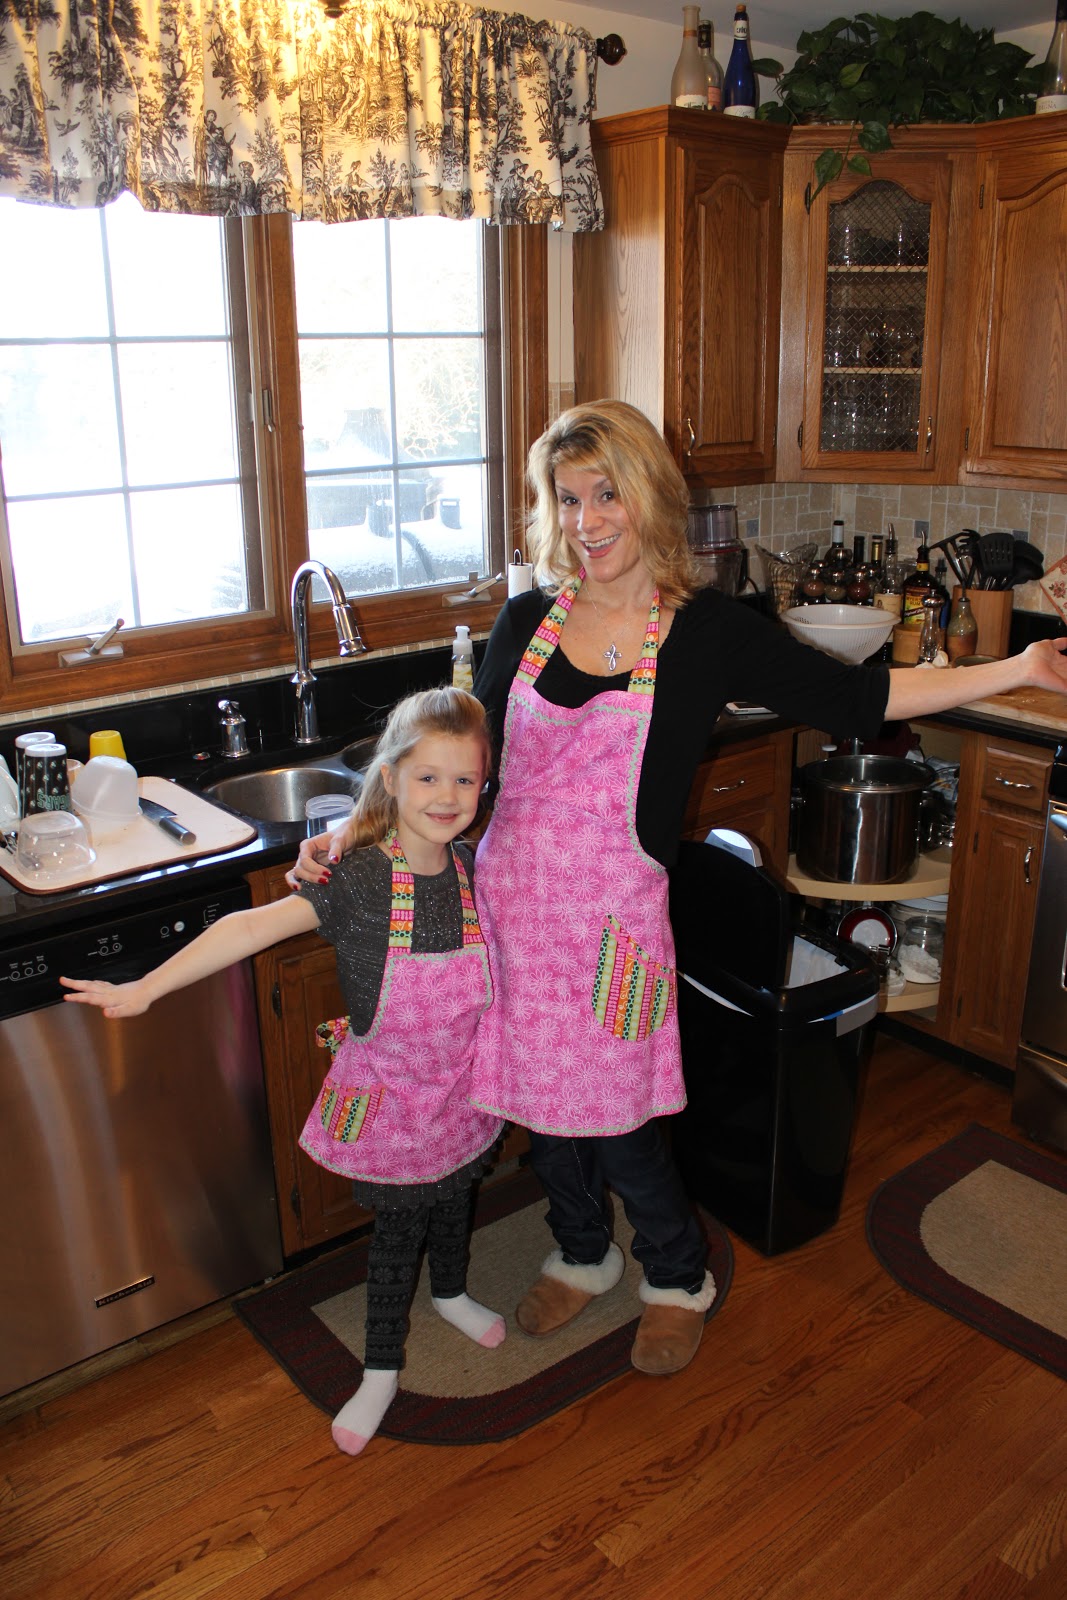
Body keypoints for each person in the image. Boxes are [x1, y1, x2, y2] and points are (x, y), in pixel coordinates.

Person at [293, 400, 1067, 1379]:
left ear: (648, 496)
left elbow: (859, 697)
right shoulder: (527, 621)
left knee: (622, 1122)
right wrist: (356, 832)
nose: (585, 520)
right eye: (566, 499)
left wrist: (1017, 666)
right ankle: (581, 1250)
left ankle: (675, 1275)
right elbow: (454, 760)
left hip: (614, 932)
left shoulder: (706, 632)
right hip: (513, 920)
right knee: (543, 1112)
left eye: (604, 494)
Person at [62, 687, 505, 1456]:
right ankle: (380, 1368)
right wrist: (146, 988)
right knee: (397, 1233)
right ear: (391, 779)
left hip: (460, 1091)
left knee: (455, 1195)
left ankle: (453, 1292)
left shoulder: (472, 869)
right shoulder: (361, 881)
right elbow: (250, 926)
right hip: (394, 1100)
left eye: (464, 780)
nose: (447, 796)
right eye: (428, 777)